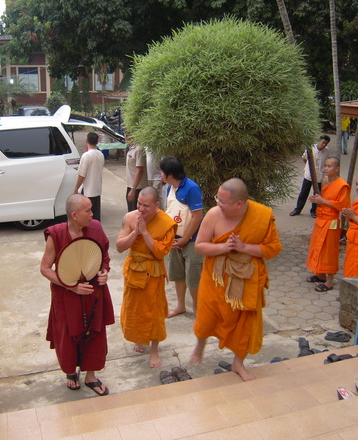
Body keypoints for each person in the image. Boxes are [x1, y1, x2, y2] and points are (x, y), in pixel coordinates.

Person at [191, 178, 282, 381]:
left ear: (239, 203)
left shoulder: (261, 216)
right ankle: (200, 345)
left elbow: (273, 248)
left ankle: (238, 363)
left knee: (245, 323)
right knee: (207, 316)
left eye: (222, 201)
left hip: (245, 277)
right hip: (216, 277)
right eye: (217, 198)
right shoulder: (214, 215)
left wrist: (243, 248)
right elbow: (199, 246)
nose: (217, 204)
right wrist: (225, 247)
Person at [40, 194, 114, 396]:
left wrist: (104, 272)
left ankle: (90, 375)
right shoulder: (55, 235)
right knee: (68, 333)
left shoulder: (96, 228)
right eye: (87, 210)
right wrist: (70, 286)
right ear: (74, 215)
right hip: (67, 294)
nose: (92, 214)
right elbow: (45, 268)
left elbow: (104, 256)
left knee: (95, 333)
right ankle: (71, 372)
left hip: (93, 292)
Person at [116, 186, 176, 368]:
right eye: (139, 204)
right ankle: (139, 337)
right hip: (135, 269)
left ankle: (155, 351)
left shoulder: (167, 223)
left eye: (146, 206)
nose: (141, 209)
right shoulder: (130, 217)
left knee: (154, 311)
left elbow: (160, 253)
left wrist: (145, 232)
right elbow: (119, 246)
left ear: (157, 205)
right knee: (134, 309)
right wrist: (136, 233)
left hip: (153, 270)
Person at [159, 157, 204, 317]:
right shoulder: (170, 188)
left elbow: (197, 216)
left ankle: (198, 310)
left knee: (193, 278)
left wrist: (186, 238)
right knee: (178, 274)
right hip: (174, 239)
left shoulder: (192, 188)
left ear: (169, 174)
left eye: (162, 171)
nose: (160, 174)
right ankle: (180, 306)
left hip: (191, 240)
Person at [305, 157, 350, 292]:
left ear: (337, 169)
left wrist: (322, 201)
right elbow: (324, 200)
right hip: (321, 219)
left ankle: (329, 281)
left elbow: (342, 206)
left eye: (329, 166)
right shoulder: (324, 181)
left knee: (330, 250)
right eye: (325, 166)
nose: (326, 168)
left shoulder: (342, 185)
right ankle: (320, 274)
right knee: (317, 246)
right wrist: (317, 200)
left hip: (332, 221)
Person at [290, 135, 330, 218]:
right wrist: (309, 167)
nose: (324, 145)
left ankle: (314, 211)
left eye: (326, 144)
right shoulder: (311, 148)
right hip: (308, 175)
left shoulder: (326, 151)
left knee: (316, 194)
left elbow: (326, 162)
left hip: (319, 176)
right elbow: (304, 158)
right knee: (304, 192)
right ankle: (297, 209)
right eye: (323, 143)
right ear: (319, 141)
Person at [73, 132, 105, 221]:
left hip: (88, 191)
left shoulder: (86, 156)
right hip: (97, 189)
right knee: (96, 215)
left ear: (86, 141)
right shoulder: (100, 154)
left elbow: (82, 175)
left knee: (87, 216)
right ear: (97, 141)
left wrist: (76, 188)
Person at [125, 139, 149, 211]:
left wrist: (133, 189)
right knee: (131, 210)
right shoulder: (131, 148)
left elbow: (140, 170)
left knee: (136, 211)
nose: (126, 138)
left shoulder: (138, 150)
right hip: (131, 184)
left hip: (137, 187)